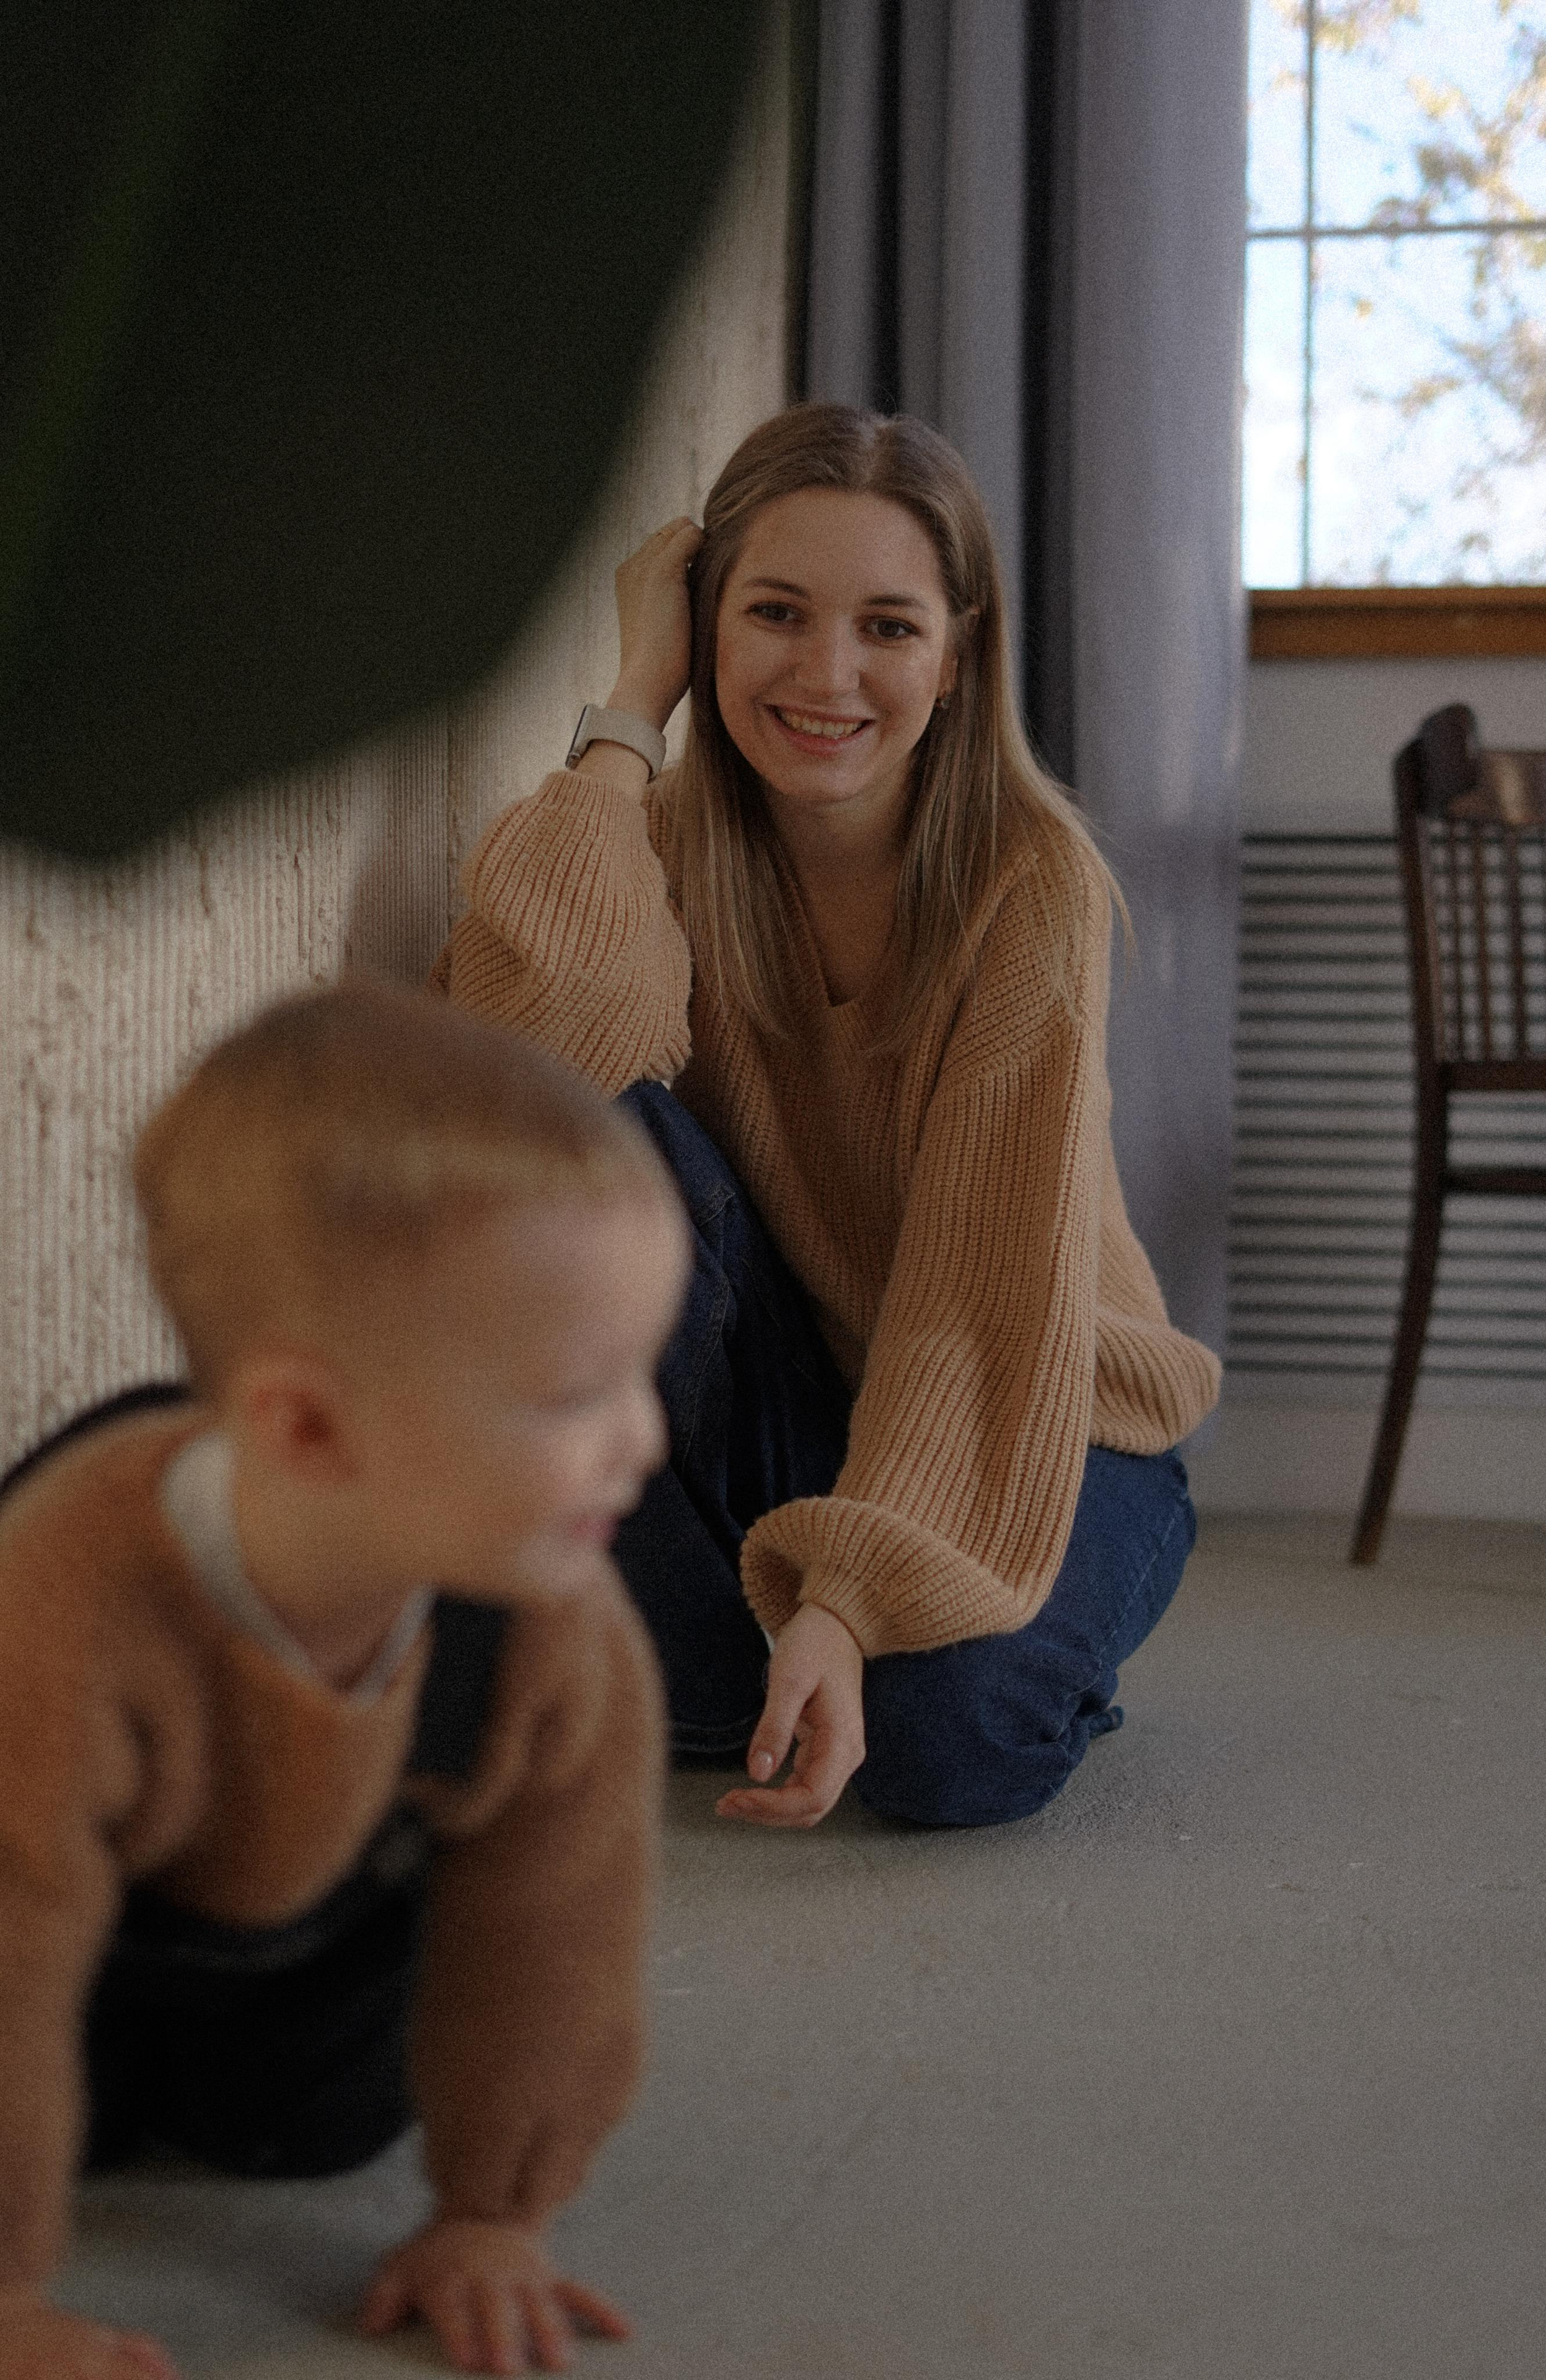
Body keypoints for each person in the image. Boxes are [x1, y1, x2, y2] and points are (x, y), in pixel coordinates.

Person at [435, 401, 1221, 1835]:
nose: (827, 674)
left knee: (947, 1749)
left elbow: (975, 1302)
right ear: (705, 624)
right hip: (794, 1408)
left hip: (1043, 1405)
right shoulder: (653, 842)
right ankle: (753, 1655)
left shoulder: (1027, 886)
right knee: (594, 1141)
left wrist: (854, 1602)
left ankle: (865, 1642)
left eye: (887, 628)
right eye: (775, 613)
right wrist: (629, 707)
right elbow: (524, 1071)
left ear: (956, 653)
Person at [0, 980, 690, 2380]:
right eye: (576, 1394)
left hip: (303, 1939)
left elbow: (558, 1930)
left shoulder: (556, 1622)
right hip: (69, 1918)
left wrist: (496, 2212)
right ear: (306, 1426)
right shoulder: (64, 1603)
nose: (646, 1442)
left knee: (317, 2127)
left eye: (644, 1375)